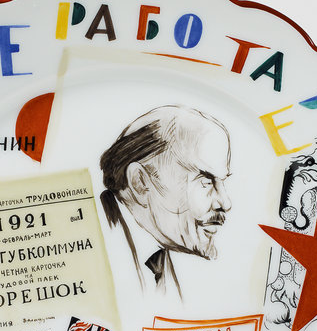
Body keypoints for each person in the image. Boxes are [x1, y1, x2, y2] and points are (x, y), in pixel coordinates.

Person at [99, 105, 232, 299]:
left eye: (222, 182)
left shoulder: (158, 258)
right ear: (139, 182)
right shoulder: (90, 255)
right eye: (205, 181)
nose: (225, 203)